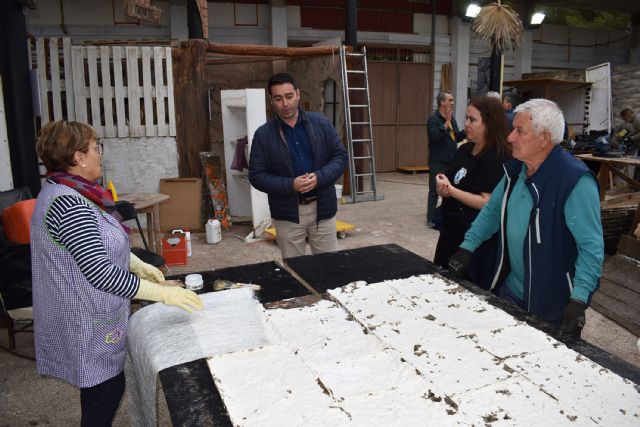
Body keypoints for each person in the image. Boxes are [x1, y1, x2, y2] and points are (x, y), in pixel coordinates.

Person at [30, 120, 203, 426]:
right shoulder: (69, 203)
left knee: (103, 389)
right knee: (104, 393)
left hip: (89, 313)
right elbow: (102, 274)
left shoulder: (73, 191)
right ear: (78, 157)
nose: (100, 154)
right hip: (84, 319)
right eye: (96, 148)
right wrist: (164, 294)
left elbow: (96, 245)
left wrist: (138, 264)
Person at [448, 99, 604, 339]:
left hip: (552, 305)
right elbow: (492, 211)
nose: (510, 137)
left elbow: (591, 247)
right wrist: (467, 247)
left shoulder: (574, 181)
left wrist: (579, 299)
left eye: (519, 131)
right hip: (512, 289)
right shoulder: (515, 170)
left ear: (543, 138)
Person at [249, 73, 348, 260]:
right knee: (296, 271)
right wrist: (290, 185)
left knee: (331, 267)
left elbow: (340, 156)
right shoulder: (263, 135)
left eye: (289, 96)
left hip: (323, 209)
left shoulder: (321, 123)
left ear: (298, 94)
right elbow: (256, 175)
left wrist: (320, 176)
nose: (285, 104)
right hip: (287, 214)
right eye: (278, 98)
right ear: (271, 100)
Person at [433, 96, 511, 288]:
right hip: (450, 232)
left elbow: (488, 203)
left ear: (489, 124)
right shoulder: (464, 150)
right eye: (466, 118)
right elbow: (454, 182)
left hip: (474, 240)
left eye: (472, 120)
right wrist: (443, 188)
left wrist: (452, 191)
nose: (466, 124)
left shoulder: (497, 157)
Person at [426, 91, 465, 228]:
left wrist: (468, 129)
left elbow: (457, 137)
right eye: (450, 100)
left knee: (450, 189)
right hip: (438, 160)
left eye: (453, 100)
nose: (452, 103)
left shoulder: (452, 119)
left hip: (452, 159)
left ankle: (445, 214)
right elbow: (435, 137)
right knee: (434, 189)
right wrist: (445, 125)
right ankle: (430, 218)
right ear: (442, 102)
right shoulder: (433, 120)